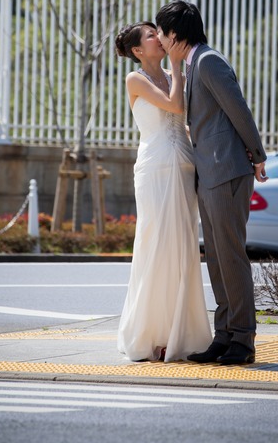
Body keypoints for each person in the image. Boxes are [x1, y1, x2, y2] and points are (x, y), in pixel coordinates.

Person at [154, 0, 267, 365]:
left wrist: (258, 154)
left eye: (160, 30)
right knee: (217, 259)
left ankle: (243, 341)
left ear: (174, 34)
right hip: (210, 173)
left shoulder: (208, 61)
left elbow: (238, 109)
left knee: (231, 257)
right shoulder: (190, 64)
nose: (157, 36)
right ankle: (224, 335)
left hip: (227, 171)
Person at [114, 21, 212, 362]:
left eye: (159, 32)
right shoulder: (135, 79)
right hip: (155, 168)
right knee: (155, 245)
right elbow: (174, 107)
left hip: (184, 163)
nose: (160, 37)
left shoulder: (175, 77)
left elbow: (187, 117)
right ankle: (150, 334)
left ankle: (179, 333)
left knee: (183, 248)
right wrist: (175, 63)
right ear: (139, 50)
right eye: (152, 35)